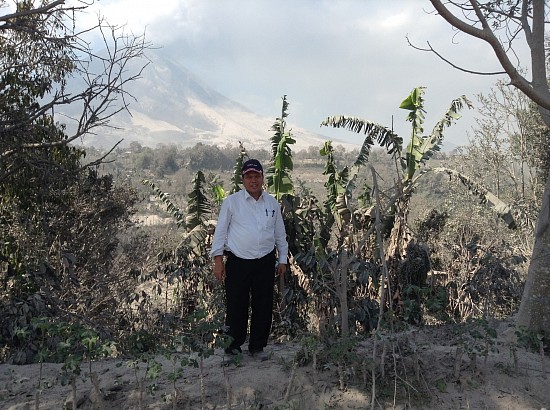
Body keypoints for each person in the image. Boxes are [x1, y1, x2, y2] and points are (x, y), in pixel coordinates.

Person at [210, 158, 288, 358]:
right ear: (243, 180)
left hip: (265, 261)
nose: (253, 180)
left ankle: (257, 347)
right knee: (236, 305)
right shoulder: (231, 203)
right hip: (238, 261)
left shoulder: (272, 203)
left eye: (257, 176)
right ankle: (232, 347)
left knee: (263, 304)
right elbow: (220, 233)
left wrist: (282, 259)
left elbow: (280, 233)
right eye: (249, 177)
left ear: (263, 178)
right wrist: (218, 260)